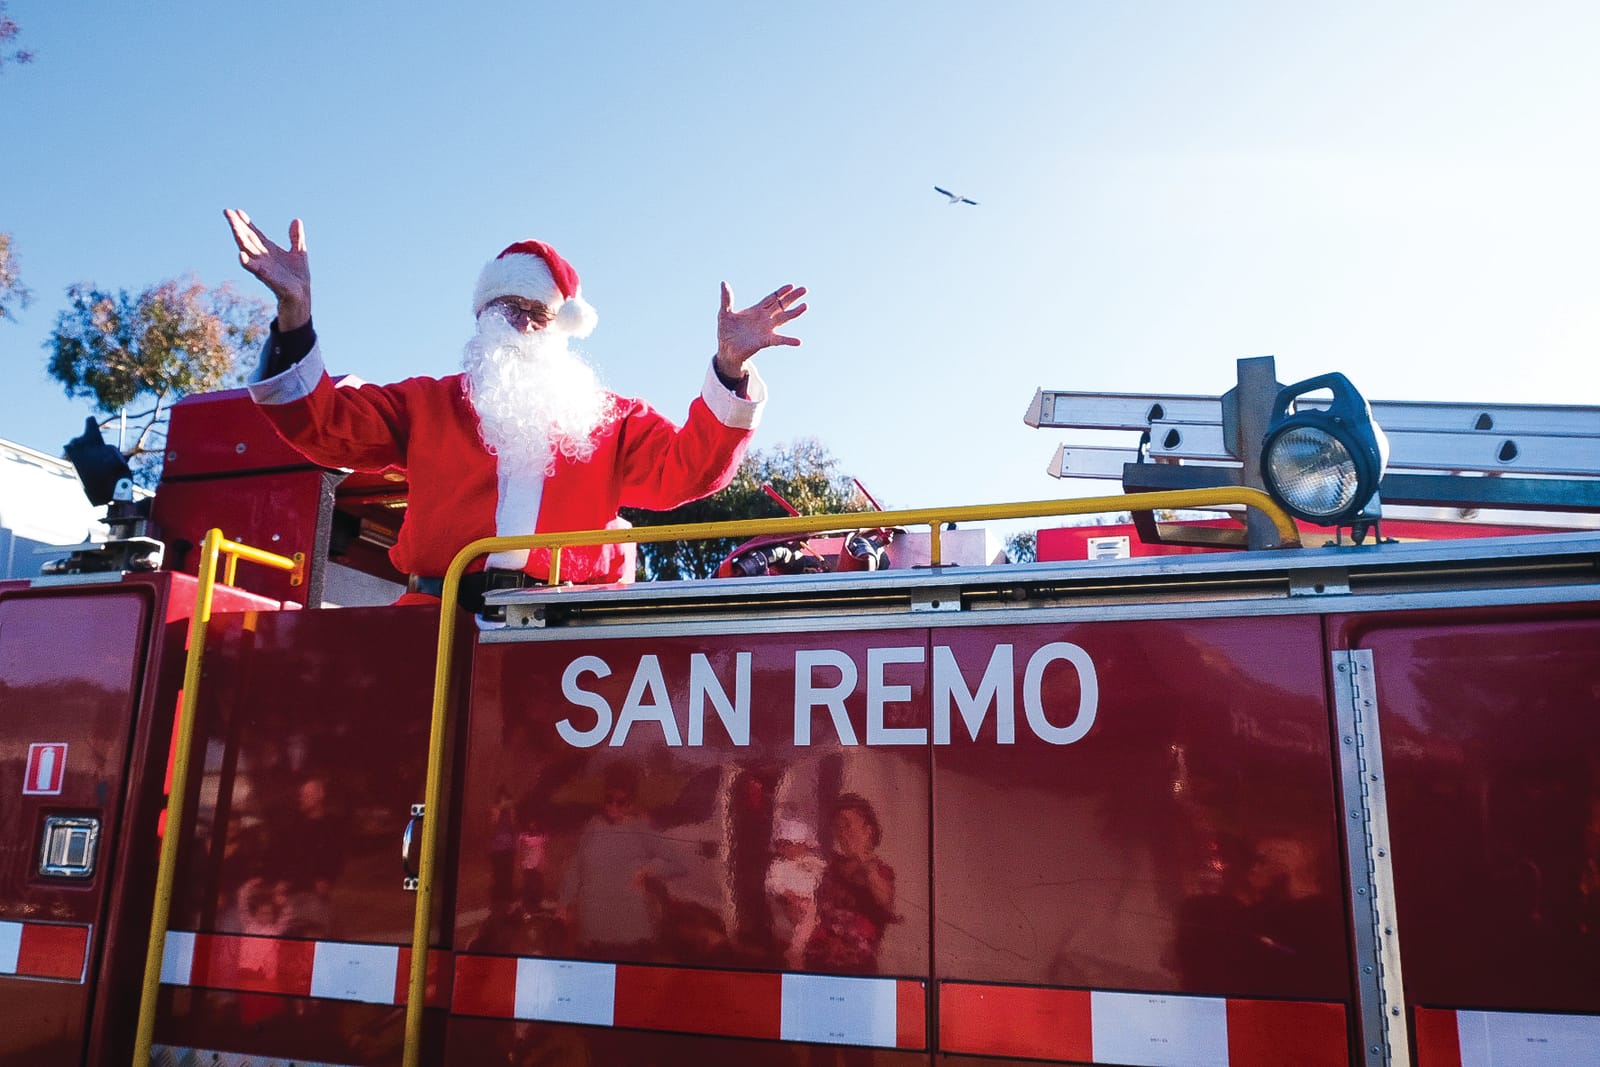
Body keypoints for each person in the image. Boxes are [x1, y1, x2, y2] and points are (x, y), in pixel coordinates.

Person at [223, 210, 807, 603]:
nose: (522, 323)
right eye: (506, 309)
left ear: (562, 326)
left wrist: (730, 366)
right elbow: (323, 425)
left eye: (537, 311)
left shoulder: (609, 418)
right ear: (482, 319)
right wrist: (294, 314)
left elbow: (689, 469)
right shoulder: (427, 403)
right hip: (435, 625)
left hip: (566, 637)